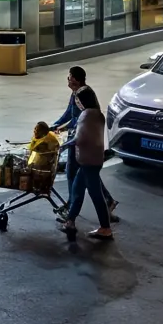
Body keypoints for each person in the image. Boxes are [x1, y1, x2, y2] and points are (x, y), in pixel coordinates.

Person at [51, 66, 118, 222]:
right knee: (85, 174)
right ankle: (101, 204)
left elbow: (80, 119)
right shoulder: (76, 93)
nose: (68, 80)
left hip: (81, 140)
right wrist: (55, 126)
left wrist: (62, 132)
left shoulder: (83, 94)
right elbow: (69, 114)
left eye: (69, 77)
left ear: (75, 79)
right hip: (82, 139)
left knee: (78, 173)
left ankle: (72, 210)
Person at [62, 88, 113, 241]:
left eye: (78, 100)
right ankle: (70, 221)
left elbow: (80, 138)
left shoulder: (86, 115)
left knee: (95, 195)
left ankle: (105, 228)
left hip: (88, 161)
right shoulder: (98, 114)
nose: (76, 102)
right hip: (94, 159)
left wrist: (65, 145)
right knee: (77, 189)